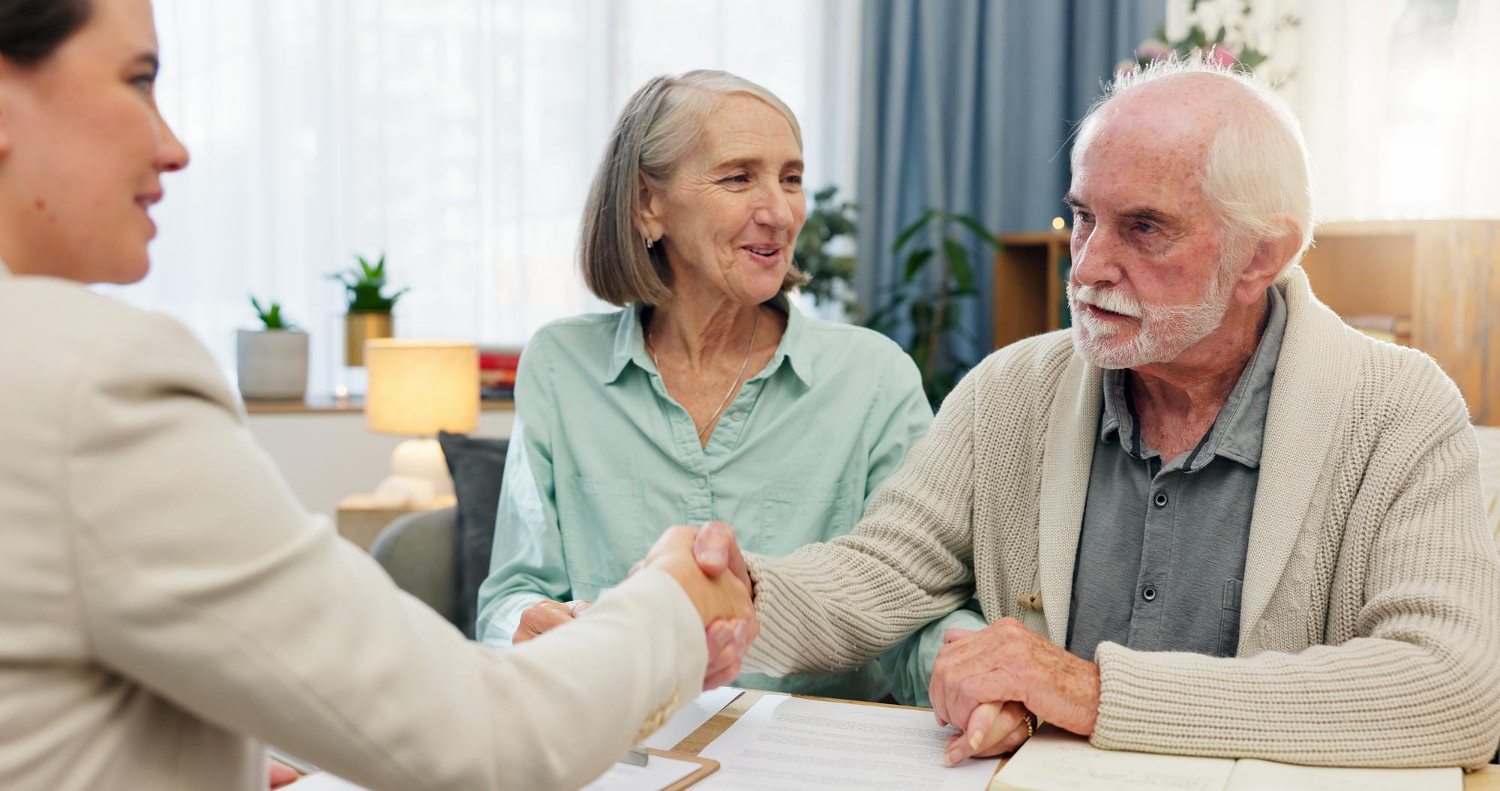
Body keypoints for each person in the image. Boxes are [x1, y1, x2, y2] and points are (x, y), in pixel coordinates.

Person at [0, 2, 755, 790]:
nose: (175, 147)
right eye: (139, 79)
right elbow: (490, 738)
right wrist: (672, 596)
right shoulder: (93, 382)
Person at [683, 58, 1500, 769]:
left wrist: (1089, 689)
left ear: (1262, 255)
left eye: (1144, 228)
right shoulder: (1011, 391)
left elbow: (1452, 685)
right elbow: (874, 577)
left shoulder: (1396, 408)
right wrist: (728, 592)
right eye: (1082, 216)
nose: (1089, 264)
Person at [474, 70, 935, 701]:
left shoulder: (873, 378)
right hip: (623, 741)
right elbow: (512, 594)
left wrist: (967, 668)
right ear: (647, 204)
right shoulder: (560, 365)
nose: (779, 212)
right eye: (738, 176)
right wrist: (525, 625)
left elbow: (919, 603)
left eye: (791, 177)